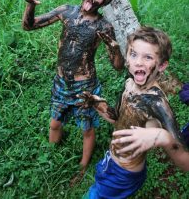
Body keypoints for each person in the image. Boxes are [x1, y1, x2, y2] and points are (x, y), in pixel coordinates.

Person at [16, 0, 124, 178]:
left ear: (106, 1)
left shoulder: (103, 26)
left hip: (85, 88)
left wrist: (115, 48)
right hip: (61, 83)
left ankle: (83, 167)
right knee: (54, 123)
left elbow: (118, 67)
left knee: (87, 129)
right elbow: (29, 26)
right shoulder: (66, 11)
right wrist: (31, 6)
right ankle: (50, 157)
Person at [80, 26, 189, 199]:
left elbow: (184, 161)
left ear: (161, 65)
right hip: (112, 159)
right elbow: (118, 119)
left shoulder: (157, 102)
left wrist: (162, 136)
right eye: (133, 54)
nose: (138, 62)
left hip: (124, 173)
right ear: (127, 60)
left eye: (147, 57)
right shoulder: (129, 84)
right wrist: (99, 105)